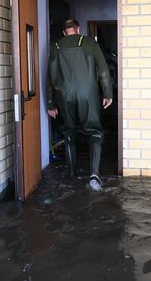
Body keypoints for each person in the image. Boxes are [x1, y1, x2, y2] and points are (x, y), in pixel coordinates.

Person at [47, 19, 113, 191]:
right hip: (87, 94)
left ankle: (71, 174)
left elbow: (51, 77)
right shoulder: (89, 42)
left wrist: (50, 103)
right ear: (78, 29)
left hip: (65, 95)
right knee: (95, 131)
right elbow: (103, 69)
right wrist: (107, 93)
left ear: (64, 32)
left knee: (69, 131)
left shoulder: (57, 47)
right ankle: (94, 174)